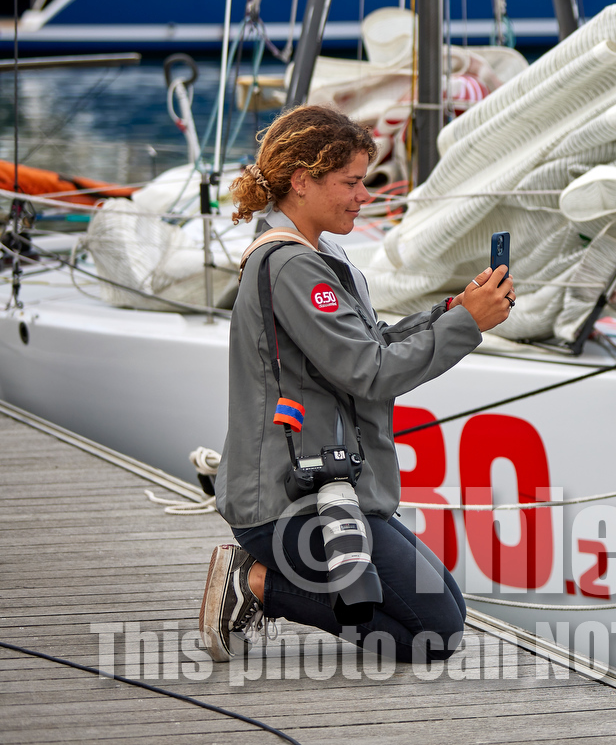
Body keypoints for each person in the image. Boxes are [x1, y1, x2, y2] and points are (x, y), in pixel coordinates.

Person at [199, 105, 516, 663]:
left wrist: (452, 310)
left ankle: (263, 579)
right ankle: (253, 583)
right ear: (302, 181)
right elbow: (369, 372)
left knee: (450, 609)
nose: (363, 196)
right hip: (286, 504)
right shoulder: (294, 266)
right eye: (350, 182)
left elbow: (370, 343)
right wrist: (469, 326)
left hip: (330, 490)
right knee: (434, 633)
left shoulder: (319, 255)